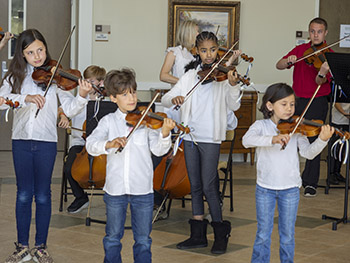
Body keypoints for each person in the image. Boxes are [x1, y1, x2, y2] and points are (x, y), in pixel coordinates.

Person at [0, 29, 92, 263]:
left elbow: (69, 108)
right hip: (21, 141)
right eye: (30, 52)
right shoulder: (15, 77)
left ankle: (40, 247)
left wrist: (81, 95)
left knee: (42, 195)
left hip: (47, 142)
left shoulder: (55, 76)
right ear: (22, 55)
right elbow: (1, 102)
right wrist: (25, 98)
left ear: (46, 48)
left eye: (40, 49)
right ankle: (22, 247)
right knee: (22, 195)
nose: (37, 56)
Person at [161, 31, 241, 254]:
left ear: (218, 50)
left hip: (211, 136)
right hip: (189, 135)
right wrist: (174, 98)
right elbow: (166, 98)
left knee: (209, 185)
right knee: (194, 185)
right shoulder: (189, 76)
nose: (208, 55)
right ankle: (197, 235)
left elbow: (233, 106)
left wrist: (234, 85)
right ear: (197, 51)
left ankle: (220, 233)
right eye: (204, 50)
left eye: (213, 50)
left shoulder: (224, 77)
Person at [85, 68, 175, 263]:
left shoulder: (147, 121)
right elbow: (91, 145)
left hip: (142, 189)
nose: (132, 98)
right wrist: (109, 143)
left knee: (143, 240)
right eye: (125, 94)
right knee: (112, 238)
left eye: (133, 92)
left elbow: (159, 150)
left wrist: (165, 133)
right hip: (115, 189)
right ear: (113, 98)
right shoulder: (108, 121)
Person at [242, 83, 334, 262]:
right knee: (263, 233)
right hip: (265, 188)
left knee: (288, 236)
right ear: (270, 106)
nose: (289, 109)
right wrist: (272, 139)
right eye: (283, 104)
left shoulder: (296, 129)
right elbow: (247, 140)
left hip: (290, 189)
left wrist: (322, 141)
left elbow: (307, 153)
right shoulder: (261, 126)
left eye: (292, 104)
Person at [276, 17, 333, 197]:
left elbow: (319, 81)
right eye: (312, 31)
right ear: (309, 32)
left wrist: (322, 72)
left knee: (313, 140)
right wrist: (289, 61)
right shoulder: (301, 50)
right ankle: (287, 176)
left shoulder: (328, 55)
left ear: (325, 33)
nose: (315, 35)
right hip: (296, 100)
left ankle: (310, 182)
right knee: (289, 136)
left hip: (317, 100)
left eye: (319, 31)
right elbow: (279, 65)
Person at [60, 65, 106, 213]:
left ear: (100, 82)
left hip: (102, 145)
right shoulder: (79, 98)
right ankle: (80, 197)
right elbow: (63, 108)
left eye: (91, 81)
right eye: (85, 80)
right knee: (69, 168)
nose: (87, 84)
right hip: (80, 143)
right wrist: (63, 116)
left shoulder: (107, 101)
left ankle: (113, 199)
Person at [328, 103, 349, 184]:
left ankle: (337, 173)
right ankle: (331, 174)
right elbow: (336, 103)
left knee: (342, 149)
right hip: (337, 120)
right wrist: (344, 113)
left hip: (347, 122)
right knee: (334, 149)